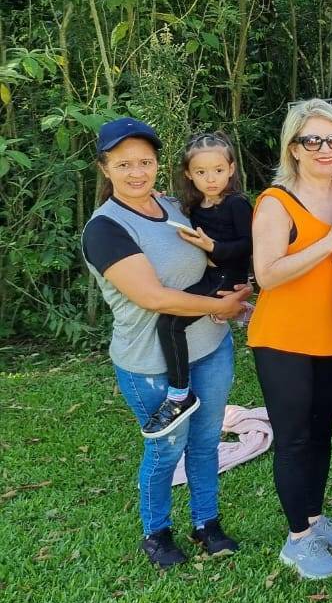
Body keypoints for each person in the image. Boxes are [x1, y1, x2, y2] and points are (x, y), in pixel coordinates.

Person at [82, 117, 251, 567]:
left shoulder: (173, 205)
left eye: (145, 161)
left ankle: (206, 523)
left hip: (210, 348)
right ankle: (156, 533)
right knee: (166, 449)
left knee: (206, 441)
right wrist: (222, 306)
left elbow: (219, 253)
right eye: (124, 164)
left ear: (158, 163)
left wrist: (239, 288)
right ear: (104, 168)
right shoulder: (106, 229)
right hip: (151, 363)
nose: (137, 172)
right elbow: (154, 298)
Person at [249, 99, 332, 580]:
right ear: (294, 148)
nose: (325, 148)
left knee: (321, 434)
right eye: (313, 140)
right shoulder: (275, 203)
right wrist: (331, 239)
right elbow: (267, 274)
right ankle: (297, 539)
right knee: (295, 438)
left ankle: (315, 518)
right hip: (284, 340)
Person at [144, 131, 254, 438]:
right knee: (171, 319)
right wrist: (158, 199)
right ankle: (240, 312)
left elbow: (249, 244)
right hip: (210, 276)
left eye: (218, 170)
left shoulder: (236, 204)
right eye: (201, 172)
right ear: (189, 174)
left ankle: (179, 394)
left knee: (170, 323)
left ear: (231, 169)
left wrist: (213, 247)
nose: (211, 178)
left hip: (226, 278)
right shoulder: (194, 206)